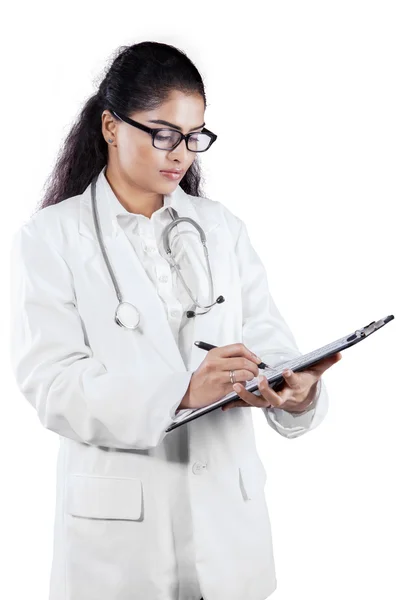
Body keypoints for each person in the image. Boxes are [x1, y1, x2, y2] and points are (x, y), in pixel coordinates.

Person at [9, 41, 341, 600]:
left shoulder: (222, 228)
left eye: (194, 137)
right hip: (119, 548)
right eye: (163, 133)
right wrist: (184, 391)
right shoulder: (50, 239)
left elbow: (267, 339)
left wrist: (296, 390)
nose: (181, 153)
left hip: (229, 537)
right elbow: (53, 384)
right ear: (111, 126)